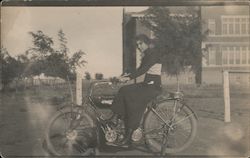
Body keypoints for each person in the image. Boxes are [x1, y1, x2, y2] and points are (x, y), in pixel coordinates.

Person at [109, 34, 162, 147]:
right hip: (147, 85)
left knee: (132, 100)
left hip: (153, 87)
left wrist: (128, 78)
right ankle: (121, 119)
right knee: (124, 90)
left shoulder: (153, 54)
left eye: (140, 44)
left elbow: (143, 70)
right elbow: (138, 70)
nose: (139, 46)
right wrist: (124, 76)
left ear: (147, 43)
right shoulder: (147, 54)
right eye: (137, 45)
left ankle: (129, 136)